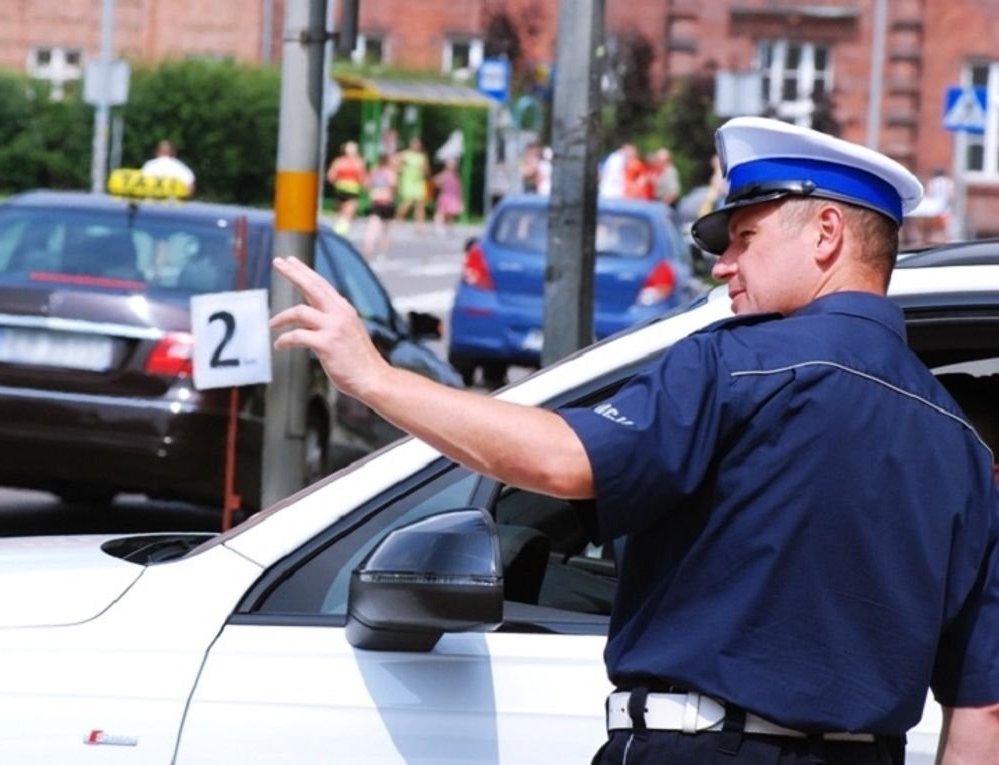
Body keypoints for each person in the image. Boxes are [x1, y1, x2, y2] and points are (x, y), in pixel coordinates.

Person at [269, 116, 999, 764]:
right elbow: (983, 709)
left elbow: (559, 458)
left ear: (827, 234)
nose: (722, 266)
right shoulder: (966, 451)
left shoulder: (731, 363)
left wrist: (375, 378)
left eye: (744, 238)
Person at [326, 141, 368, 237]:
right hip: (353, 190)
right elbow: (362, 178)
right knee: (348, 214)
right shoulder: (359, 162)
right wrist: (365, 187)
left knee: (341, 213)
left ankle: (338, 232)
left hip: (340, 189)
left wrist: (338, 182)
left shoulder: (338, 161)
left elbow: (330, 177)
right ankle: (341, 234)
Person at [362, 153, 398, 261]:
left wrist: (373, 192)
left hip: (376, 202)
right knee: (385, 231)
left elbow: (366, 184)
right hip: (387, 203)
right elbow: (393, 186)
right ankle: (382, 254)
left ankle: (368, 249)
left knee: (372, 228)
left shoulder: (375, 171)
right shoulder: (391, 173)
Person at [394, 136, 430, 230]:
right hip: (408, 182)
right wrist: (399, 168)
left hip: (419, 182)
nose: (416, 146)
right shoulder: (405, 154)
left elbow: (427, 170)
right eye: (414, 143)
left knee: (420, 204)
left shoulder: (422, 156)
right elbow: (394, 161)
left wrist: (424, 170)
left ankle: (419, 225)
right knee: (407, 202)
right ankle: (398, 217)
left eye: (418, 144)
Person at [431, 158, 464, 235]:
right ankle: (438, 227)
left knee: (451, 214)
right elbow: (435, 180)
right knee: (440, 213)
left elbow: (459, 190)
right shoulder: (444, 174)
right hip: (445, 196)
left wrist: (461, 201)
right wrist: (438, 185)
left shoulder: (456, 176)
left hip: (453, 197)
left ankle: (449, 228)